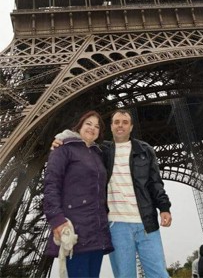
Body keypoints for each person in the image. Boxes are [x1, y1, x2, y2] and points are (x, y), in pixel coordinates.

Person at [52, 108, 172, 278]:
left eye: (125, 122)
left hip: (146, 223)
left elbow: (155, 183)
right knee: (124, 276)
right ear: (110, 126)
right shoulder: (101, 151)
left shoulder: (145, 150)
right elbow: (81, 141)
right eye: (116, 122)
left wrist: (164, 207)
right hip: (117, 225)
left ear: (131, 127)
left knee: (159, 274)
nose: (120, 126)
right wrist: (61, 137)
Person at [44, 110, 113, 278]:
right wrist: (57, 220)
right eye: (88, 123)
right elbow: (51, 184)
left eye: (97, 126)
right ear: (79, 126)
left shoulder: (99, 154)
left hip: (97, 231)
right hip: (75, 228)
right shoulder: (64, 148)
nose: (92, 128)